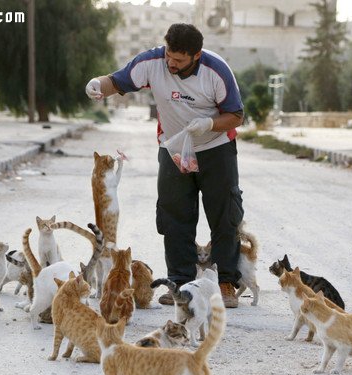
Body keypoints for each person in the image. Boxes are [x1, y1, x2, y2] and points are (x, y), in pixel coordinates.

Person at [85, 23, 244, 308]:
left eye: (179, 59)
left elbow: (236, 115)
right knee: (174, 216)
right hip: (173, 149)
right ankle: (180, 283)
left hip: (215, 149)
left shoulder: (216, 71)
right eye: (169, 54)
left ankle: (226, 283)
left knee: (224, 215)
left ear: (196, 55)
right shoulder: (152, 62)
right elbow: (117, 81)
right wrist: (97, 86)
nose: (171, 62)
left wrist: (209, 123)